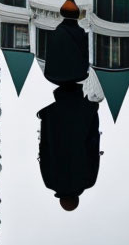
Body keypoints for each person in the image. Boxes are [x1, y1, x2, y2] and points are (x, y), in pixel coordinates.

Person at [37, 83, 101, 211]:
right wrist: (45, 120)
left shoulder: (88, 181)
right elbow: (44, 150)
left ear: (77, 198)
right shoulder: (50, 182)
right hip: (55, 117)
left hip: (82, 115)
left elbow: (93, 150)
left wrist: (92, 113)